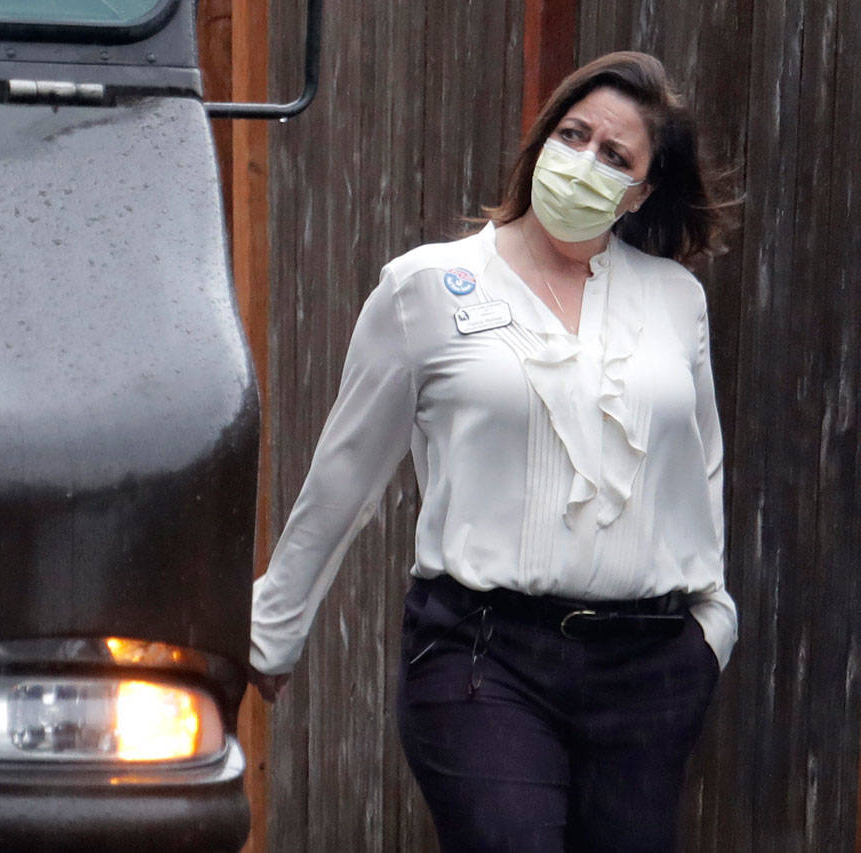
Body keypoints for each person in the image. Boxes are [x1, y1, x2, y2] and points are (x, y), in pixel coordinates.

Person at [248, 51, 737, 852]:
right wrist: (275, 625)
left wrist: (712, 624)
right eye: (573, 135)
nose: (585, 162)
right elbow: (346, 470)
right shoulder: (426, 289)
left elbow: (699, 466)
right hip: (483, 657)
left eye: (615, 155)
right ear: (543, 139)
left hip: (650, 670)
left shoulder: (675, 299)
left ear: (640, 191)